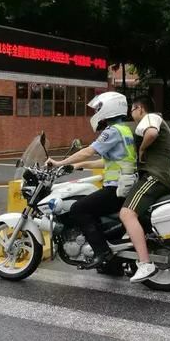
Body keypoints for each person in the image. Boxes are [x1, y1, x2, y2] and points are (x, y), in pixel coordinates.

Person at [47, 91, 136, 269]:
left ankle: (102, 253)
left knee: (78, 209)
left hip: (116, 189)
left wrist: (59, 163)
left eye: (99, 108)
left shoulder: (112, 132)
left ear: (109, 108)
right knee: (93, 209)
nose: (96, 112)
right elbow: (106, 161)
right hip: (123, 186)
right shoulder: (125, 129)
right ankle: (113, 263)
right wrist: (78, 166)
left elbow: (89, 150)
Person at [120, 98, 170, 282]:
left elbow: (151, 134)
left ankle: (145, 263)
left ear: (140, 108)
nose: (132, 114)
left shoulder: (151, 118)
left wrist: (142, 150)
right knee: (137, 215)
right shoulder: (164, 126)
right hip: (165, 178)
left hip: (155, 176)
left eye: (132, 110)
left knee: (127, 213)